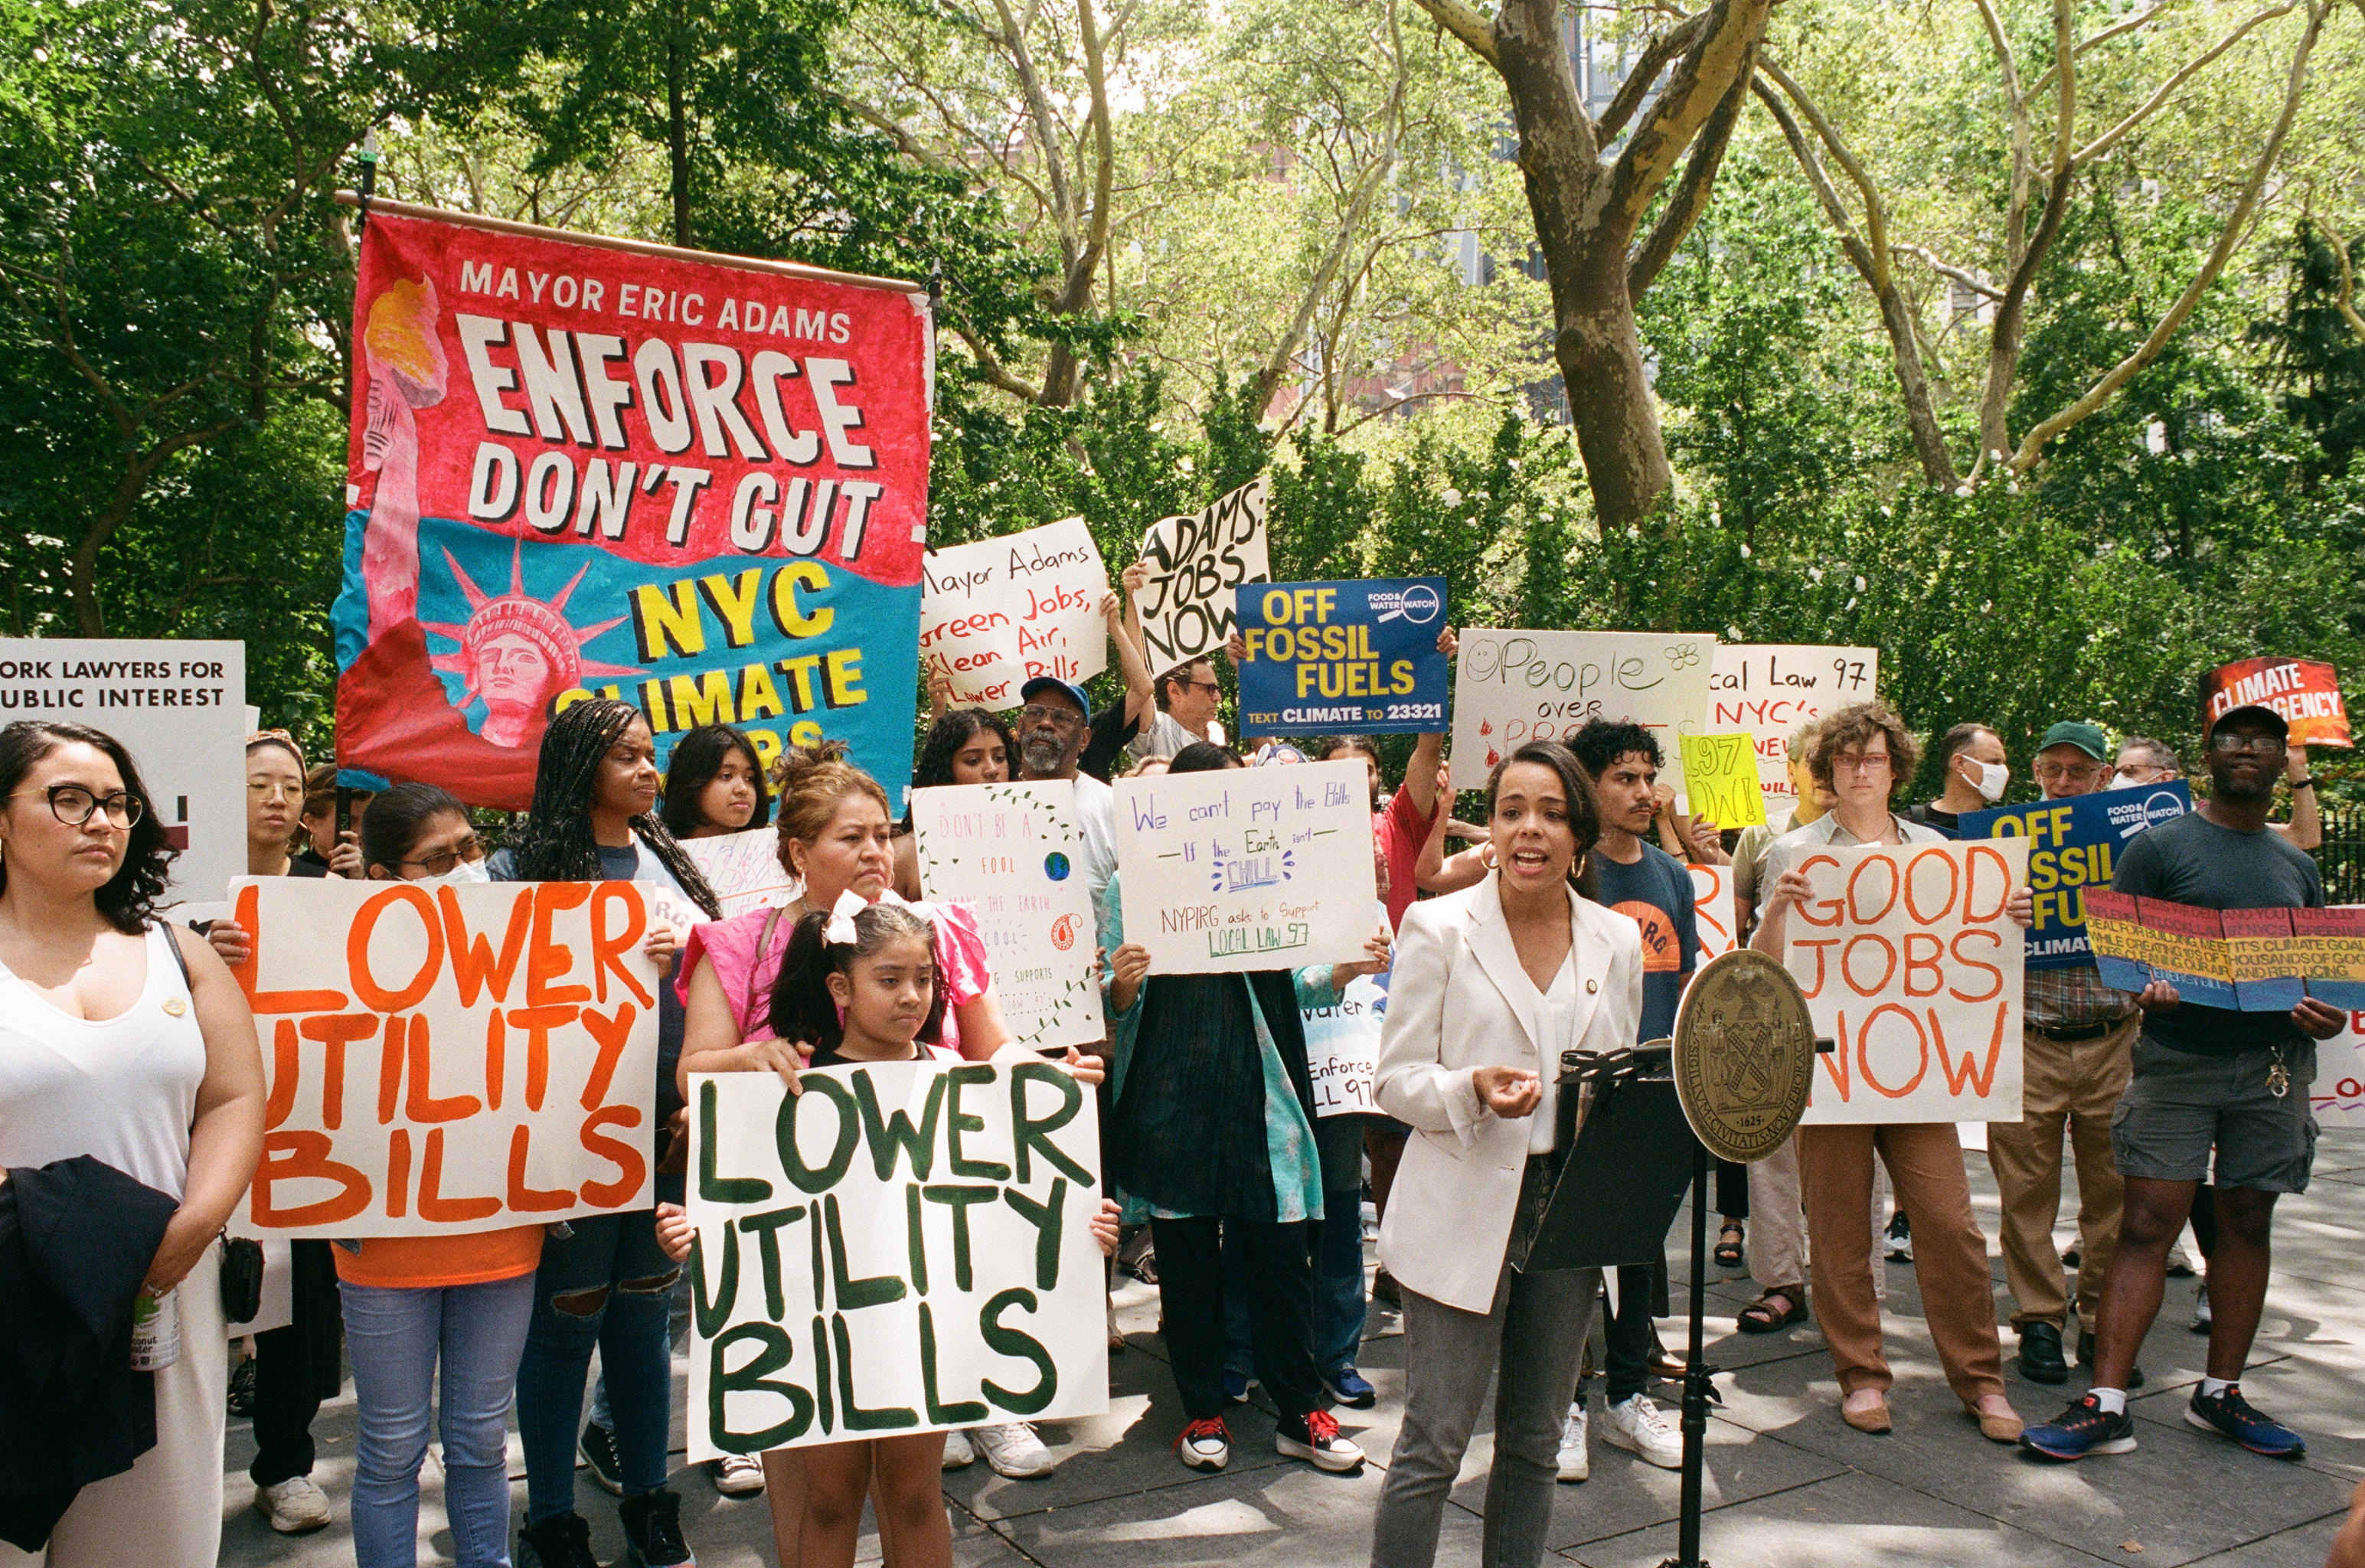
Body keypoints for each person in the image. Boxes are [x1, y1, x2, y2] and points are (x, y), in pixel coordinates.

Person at [2022, 700, 2347, 1464]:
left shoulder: (2294, 865)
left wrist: (2322, 1017)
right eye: (2234, 737)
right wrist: (2146, 987)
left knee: (2244, 1224)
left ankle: (2219, 1393)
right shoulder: (2159, 846)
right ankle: (2104, 1402)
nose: (2248, 749)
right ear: (2210, 753)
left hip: (2267, 1070)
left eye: (2264, 742)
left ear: (2277, 765)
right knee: (2144, 1223)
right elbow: (2122, 962)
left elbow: (2322, 980)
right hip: (2173, 1062)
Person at [1365, 740, 1641, 1568]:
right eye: (1513, 809)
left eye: (1552, 813)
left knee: (1533, 1442)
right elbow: (1395, 1080)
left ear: (1577, 836)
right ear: (1491, 825)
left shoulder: (1614, 940)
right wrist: (1470, 1089)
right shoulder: (1437, 924)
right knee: (1431, 1443)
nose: (1530, 829)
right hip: (1459, 1210)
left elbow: (1620, 1074)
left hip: (1568, 1219)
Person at [0, 720, 265, 1568]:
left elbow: (233, 1094)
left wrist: (196, 1220)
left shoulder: (177, 951)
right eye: (68, 799)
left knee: (155, 1544)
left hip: (161, 1299)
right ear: (0, 819)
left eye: (116, 802)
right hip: (13, 1310)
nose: (101, 821)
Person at [1750, 701, 2026, 1442]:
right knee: (1838, 1234)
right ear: (1824, 775)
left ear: (1894, 766)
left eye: (1871, 757)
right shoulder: (1792, 852)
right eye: (1843, 760)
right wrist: (1777, 910)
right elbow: (1763, 970)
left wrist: (2007, 916)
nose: (1858, 770)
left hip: (1915, 1072)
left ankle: (1979, 1379)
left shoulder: (1936, 850)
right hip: (1834, 1070)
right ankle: (1861, 1374)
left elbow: (1971, 950)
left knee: (1949, 1224)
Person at [489, 698, 719, 1568]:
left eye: (649, 754)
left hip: (670, 1127)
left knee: (644, 1312)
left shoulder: (678, 869)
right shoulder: (516, 873)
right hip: (569, 1132)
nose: (646, 769)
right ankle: (551, 1515)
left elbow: (725, 981)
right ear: (578, 762)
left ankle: (649, 1500)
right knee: (564, 1319)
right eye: (625, 754)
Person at [1101, 742, 1367, 1478]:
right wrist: (1122, 984)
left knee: (1282, 1260)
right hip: (1174, 1097)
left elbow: (1300, 974)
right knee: (1186, 1267)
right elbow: (1109, 996)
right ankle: (1202, 1410)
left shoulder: (1269, 875)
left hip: (1266, 1097)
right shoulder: (1132, 885)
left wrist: (1343, 967)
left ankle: (1300, 1409)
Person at [315, 784, 544, 1567]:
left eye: (471, 848)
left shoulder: (527, 944)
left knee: (482, 1435)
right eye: (437, 859)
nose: (464, 867)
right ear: (382, 876)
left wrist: (636, 965)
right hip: (383, 1235)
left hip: (500, 1228)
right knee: (391, 1445)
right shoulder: (327, 956)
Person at [207, 733, 347, 1535]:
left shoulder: (323, 888)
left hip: (303, 1123)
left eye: (290, 785)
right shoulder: (178, 892)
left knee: (295, 1302)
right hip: (199, 1122)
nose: (277, 798)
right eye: (257, 782)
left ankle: (284, 1467)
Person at [1554, 720, 1700, 1478]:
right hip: (1584, 1091)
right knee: (1575, 1255)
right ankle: (1567, 1405)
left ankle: (1626, 1400)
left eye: (1648, 777)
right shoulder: (1568, 873)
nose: (1643, 792)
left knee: (1638, 1250)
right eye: (1624, 778)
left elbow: (1684, 980)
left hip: (1655, 1088)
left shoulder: (1670, 876)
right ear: (1588, 785)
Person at [1990, 720, 2142, 1390]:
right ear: (2035, 774)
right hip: (2029, 1040)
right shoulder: (2003, 848)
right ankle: (2039, 1321)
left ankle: (2102, 1320)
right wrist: (2000, 913)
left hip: (2113, 1038)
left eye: (2076, 772)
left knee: (2114, 1196)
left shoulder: (2135, 846)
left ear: (2103, 778)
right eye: (2051, 770)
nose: (2061, 782)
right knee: (2025, 1193)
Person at [1012, 677, 1119, 920]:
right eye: (1035, 713)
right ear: (1020, 726)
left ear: (1084, 739)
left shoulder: (1113, 806)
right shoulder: (990, 805)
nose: (1046, 723)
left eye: (1062, 717)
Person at [890, 707, 1015, 901]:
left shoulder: (1034, 840)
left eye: (999, 758)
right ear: (945, 770)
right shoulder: (904, 854)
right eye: (973, 761)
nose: (992, 769)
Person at [659, 722, 772, 841]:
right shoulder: (657, 852)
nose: (743, 789)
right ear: (692, 783)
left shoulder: (774, 848)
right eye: (727, 776)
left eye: (749, 778)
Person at [1909, 722, 2009, 838]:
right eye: (1994, 762)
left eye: (2002, 763)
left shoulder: (2007, 825)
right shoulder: (1908, 825)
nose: (2003, 771)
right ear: (1960, 763)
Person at [1131, 655, 1227, 763]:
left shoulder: (1215, 734)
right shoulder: (1156, 729)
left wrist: (1242, 664)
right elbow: (1140, 685)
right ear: (1175, 691)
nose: (1218, 697)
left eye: (1217, 689)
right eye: (1210, 688)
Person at [295, 762, 367, 875]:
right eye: (349, 821)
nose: (361, 831)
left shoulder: (382, 874)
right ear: (312, 823)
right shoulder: (294, 874)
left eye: (367, 821)